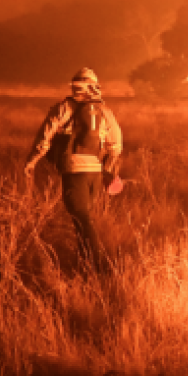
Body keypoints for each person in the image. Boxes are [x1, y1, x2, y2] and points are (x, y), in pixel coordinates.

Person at [23, 67, 124, 273]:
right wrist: (108, 169)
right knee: (84, 219)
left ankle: (99, 266)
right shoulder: (105, 111)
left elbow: (44, 139)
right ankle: (86, 265)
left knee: (82, 219)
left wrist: (32, 162)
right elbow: (116, 145)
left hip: (73, 171)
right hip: (95, 174)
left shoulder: (64, 108)